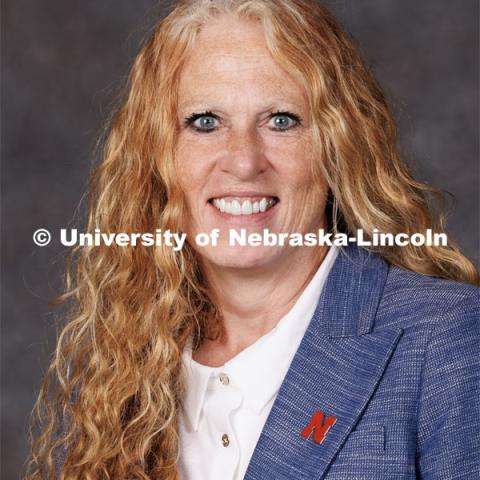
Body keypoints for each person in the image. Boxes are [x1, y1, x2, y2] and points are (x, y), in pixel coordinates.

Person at [26, 0, 479, 479]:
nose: (243, 161)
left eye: (281, 120)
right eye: (205, 122)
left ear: (338, 145)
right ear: (157, 158)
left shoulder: (446, 342)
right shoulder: (115, 378)